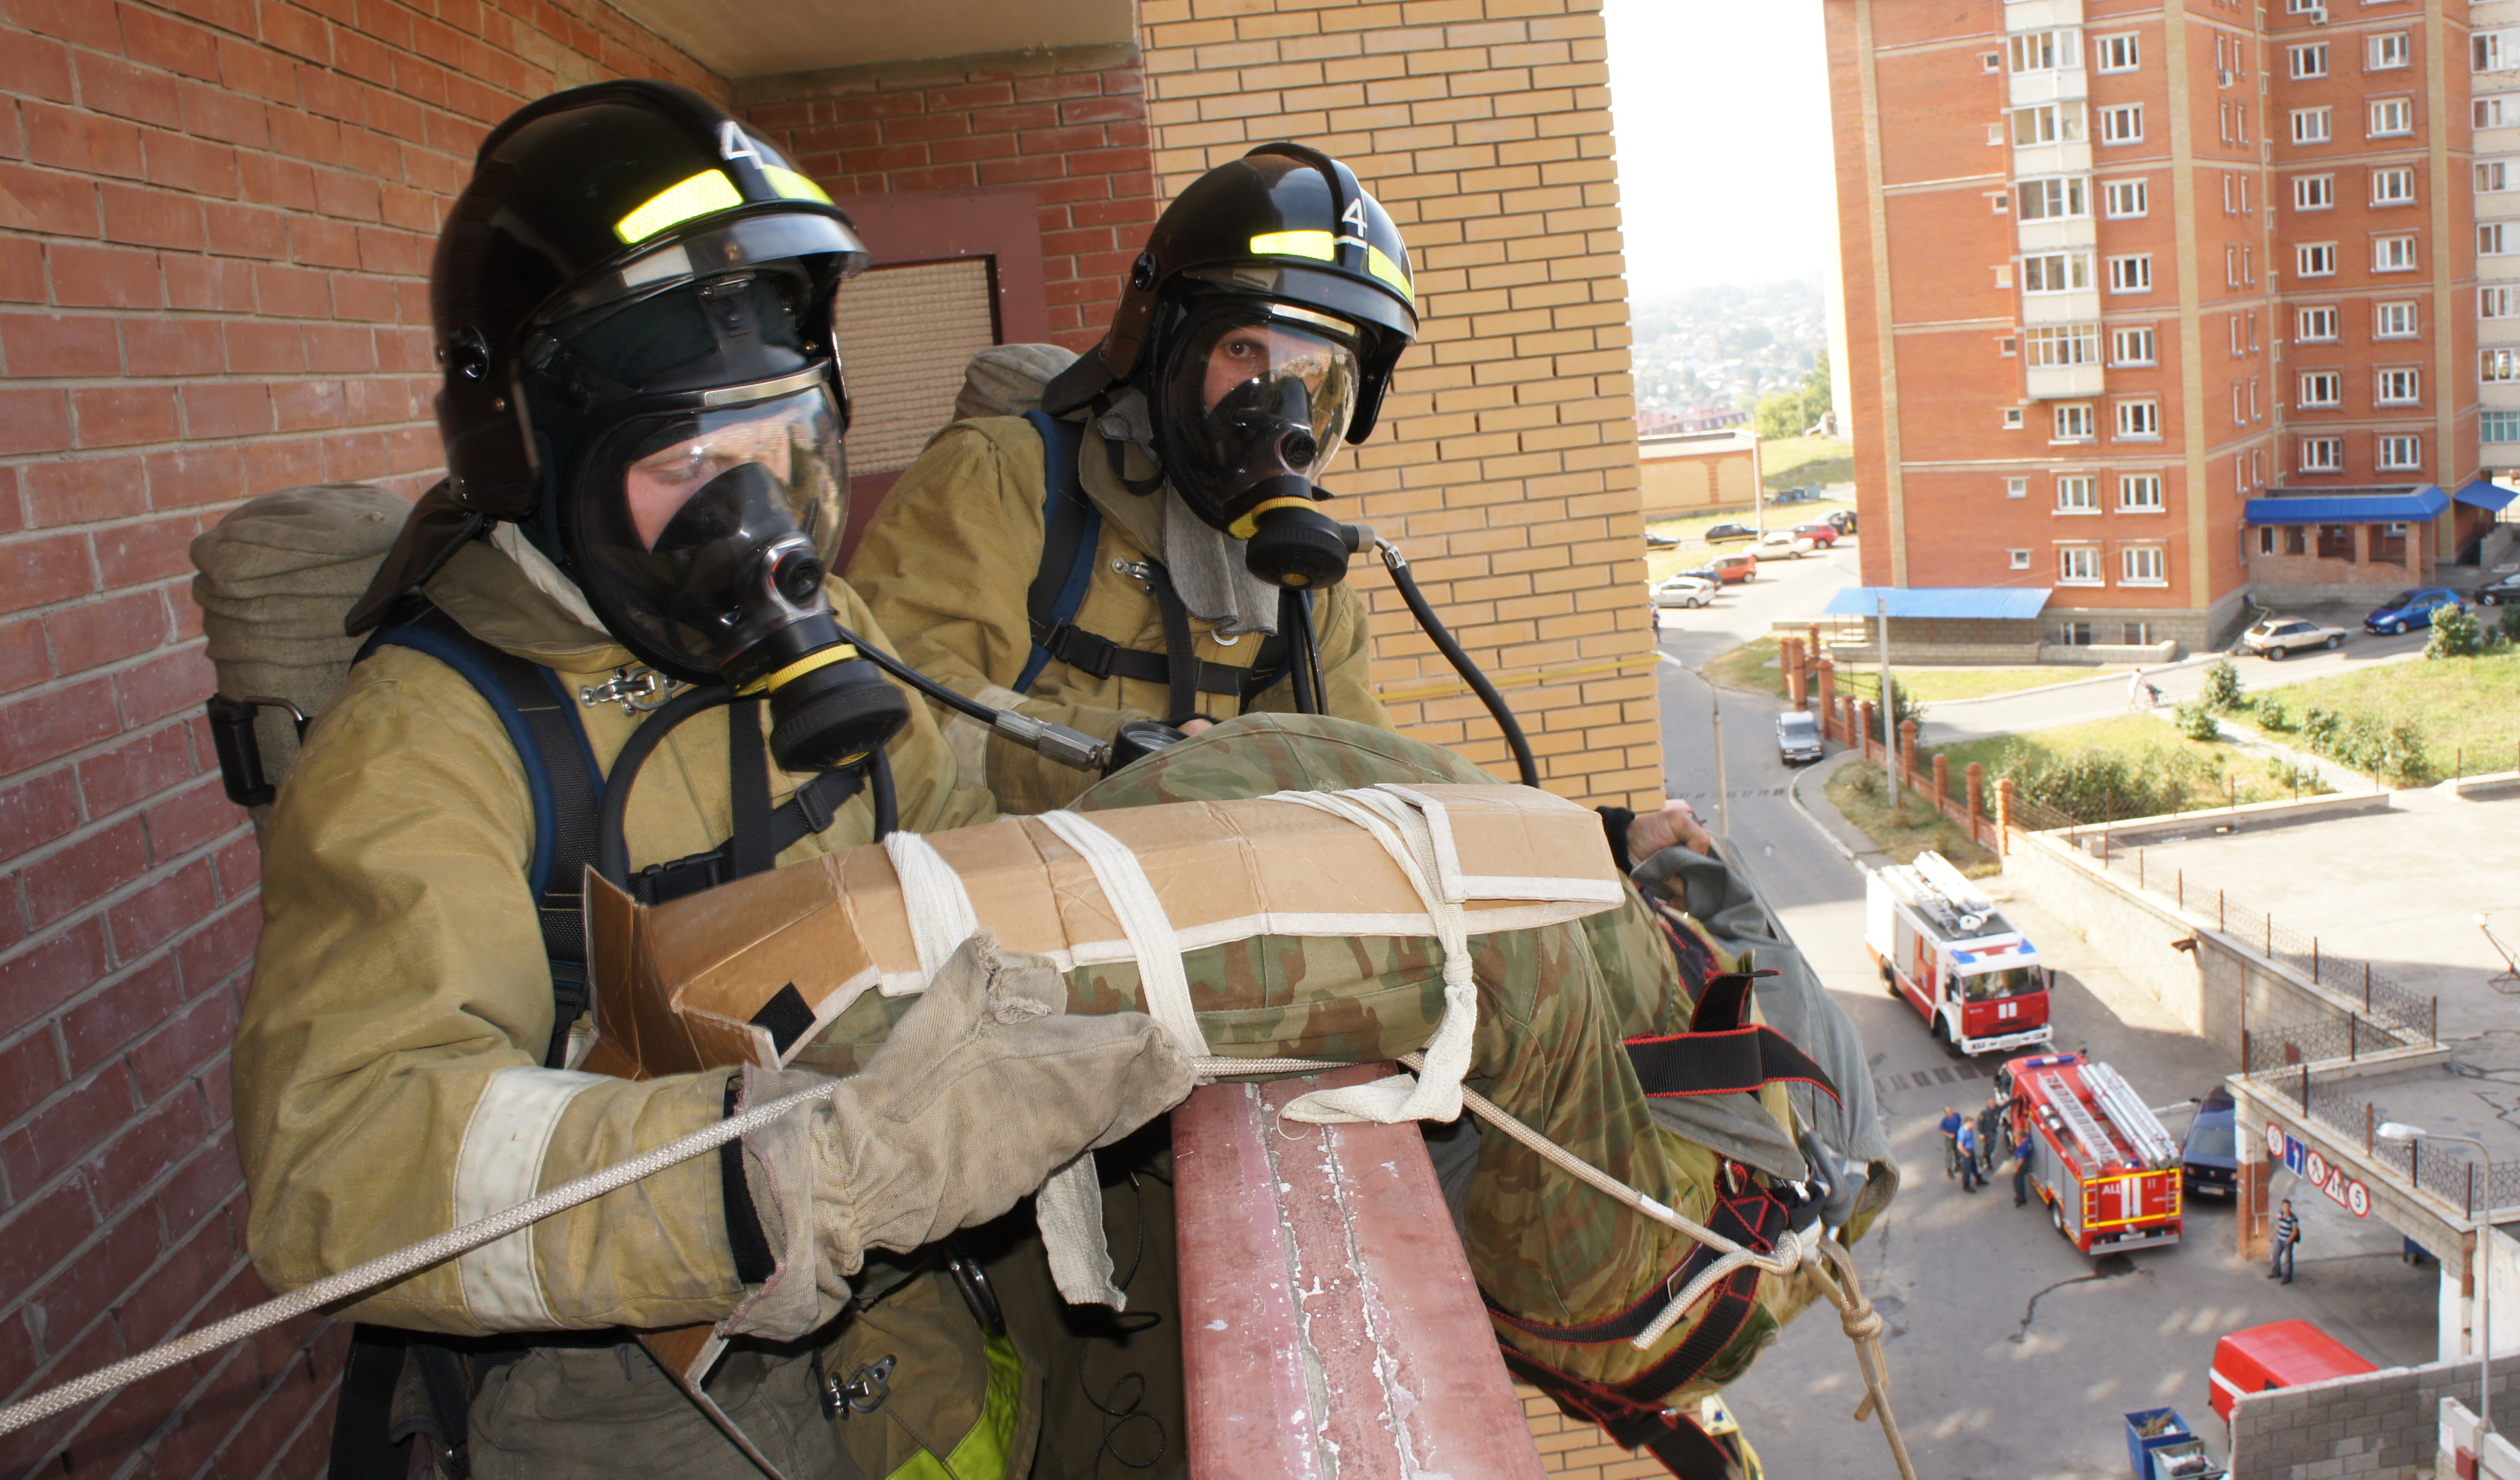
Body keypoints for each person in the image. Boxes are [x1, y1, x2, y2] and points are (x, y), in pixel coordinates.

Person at [234, 81, 1198, 1480]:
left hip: (907, 1354)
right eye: (688, 463)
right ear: (535, 452)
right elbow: (344, 1157)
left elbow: (950, 859)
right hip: (626, 1402)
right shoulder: (433, 736)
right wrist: (782, 1169)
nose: (757, 532)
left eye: (783, 453)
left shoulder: (833, 643)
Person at [845, 144, 1418, 814]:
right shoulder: (1006, 477)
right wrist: (1126, 759)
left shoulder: (1305, 585)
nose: (1276, 402)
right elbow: (895, 706)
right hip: (1013, 891)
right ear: (1166, 342)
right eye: (1243, 350)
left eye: (1311, 374)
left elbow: (1357, 784)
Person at [2271, 1199, 2302, 1283]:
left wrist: (2289, 1240)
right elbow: (2278, 1226)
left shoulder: (2293, 1218)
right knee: (2276, 1256)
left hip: (2287, 1240)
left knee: (2287, 1260)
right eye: (2285, 1206)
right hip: (2279, 1238)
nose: (2286, 1208)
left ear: (2290, 1207)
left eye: (2288, 1207)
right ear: (2282, 1207)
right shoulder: (2280, 1215)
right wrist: (2273, 1237)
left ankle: (2287, 1278)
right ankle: (2276, 1273)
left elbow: (2295, 1231)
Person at [1956, 1117, 1983, 1193]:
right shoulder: (1962, 1132)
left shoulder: (1969, 1129)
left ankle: (1978, 1180)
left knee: (1974, 1166)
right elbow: (1959, 1146)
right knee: (1967, 1169)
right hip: (1966, 1152)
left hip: (1971, 1150)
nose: (1974, 1124)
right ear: (1968, 1124)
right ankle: (1966, 1185)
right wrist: (1966, 1154)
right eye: (1972, 1123)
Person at [2011, 1125, 2035, 1208]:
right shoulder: (2028, 1140)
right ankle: (2021, 1197)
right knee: (2019, 1180)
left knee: (2018, 1181)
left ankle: (2021, 1198)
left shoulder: (2023, 1146)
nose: (2016, 1137)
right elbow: (2028, 1132)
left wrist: (2017, 1169)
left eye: (2017, 1136)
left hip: (2023, 1165)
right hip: (2027, 1163)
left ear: (2021, 1137)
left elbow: (2022, 1159)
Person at [1939, 1105, 1965, 1178]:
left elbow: (1960, 1123)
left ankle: (1958, 1166)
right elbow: (1940, 1130)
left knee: (1959, 1151)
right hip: (1950, 1138)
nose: (1951, 1113)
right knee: (1949, 1154)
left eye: (1951, 1111)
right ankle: (1949, 1169)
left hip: (1957, 1136)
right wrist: (1949, 1135)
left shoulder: (1957, 1115)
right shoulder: (1945, 1121)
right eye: (1949, 1112)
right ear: (1946, 1114)